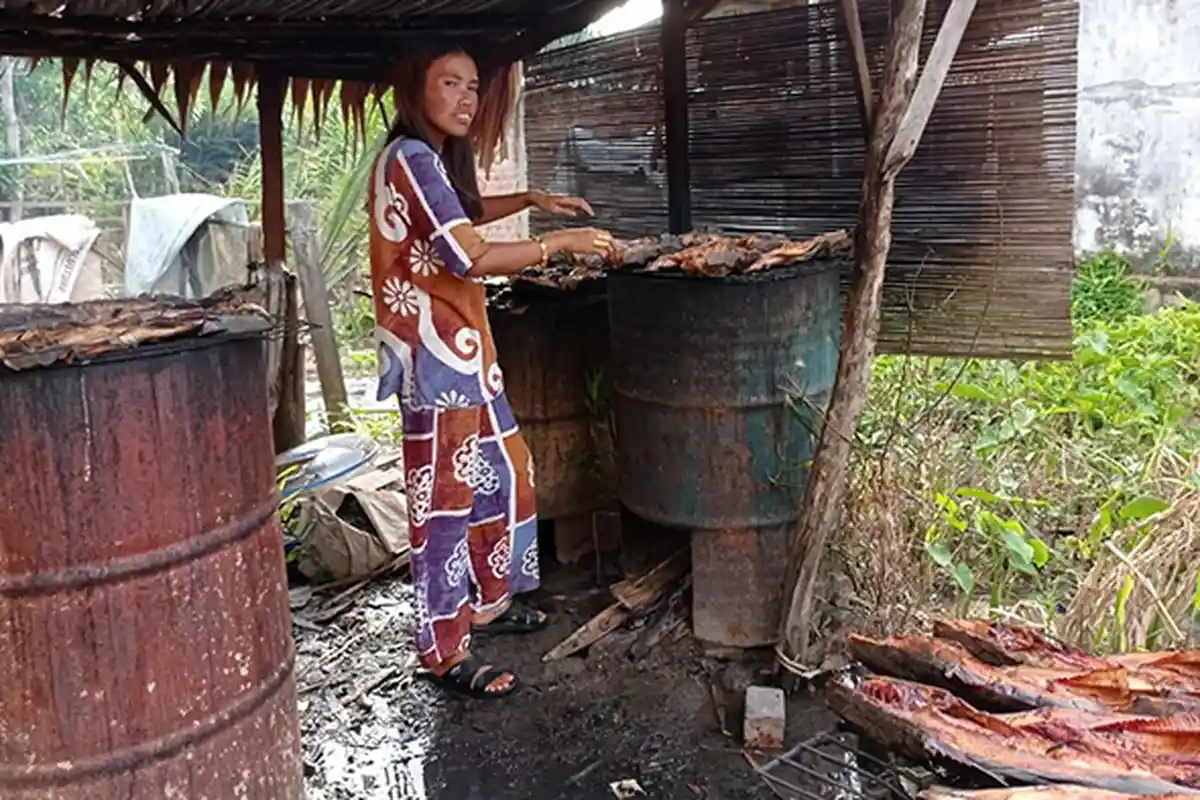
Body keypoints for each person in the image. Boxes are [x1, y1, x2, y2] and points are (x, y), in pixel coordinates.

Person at [368, 42, 617, 699]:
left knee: (507, 474)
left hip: (468, 355)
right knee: (443, 504)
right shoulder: (409, 159)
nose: (465, 98)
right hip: (435, 358)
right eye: (448, 82)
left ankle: (487, 605)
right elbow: (467, 253)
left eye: (473, 86)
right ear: (412, 88)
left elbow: (465, 214)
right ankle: (444, 651)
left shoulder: (432, 163)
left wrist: (533, 198)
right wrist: (556, 244)